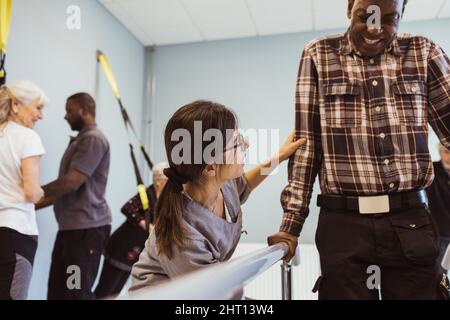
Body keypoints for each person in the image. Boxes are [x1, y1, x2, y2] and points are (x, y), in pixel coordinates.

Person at [268, 0, 450, 299]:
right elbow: (307, 147)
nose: (375, 28)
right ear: (349, 7)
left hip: (410, 220)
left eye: (390, 19)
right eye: (365, 16)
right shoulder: (319, 54)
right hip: (343, 224)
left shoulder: (423, 52)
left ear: (403, 13)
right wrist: (291, 225)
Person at [129, 100, 305, 298]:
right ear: (211, 167)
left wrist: (280, 156)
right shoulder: (184, 236)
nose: (247, 144)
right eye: (236, 143)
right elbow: (208, 296)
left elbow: (244, 184)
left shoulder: (220, 183)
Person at [37, 93, 112, 300]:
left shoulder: (93, 139)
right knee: (58, 293)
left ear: (84, 110)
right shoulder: (81, 140)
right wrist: (26, 203)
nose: (65, 116)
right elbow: (62, 190)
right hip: (70, 232)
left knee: (76, 292)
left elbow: (71, 182)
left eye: (69, 110)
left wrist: (33, 194)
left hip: (85, 233)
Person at [0, 81, 48, 299]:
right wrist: (41, 192)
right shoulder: (28, 137)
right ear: (17, 105)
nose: (41, 116)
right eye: (38, 108)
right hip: (16, 231)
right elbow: (31, 192)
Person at [95, 162, 169, 299]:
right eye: (167, 180)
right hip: (123, 246)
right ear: (158, 181)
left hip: (135, 250)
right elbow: (127, 208)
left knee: (115, 292)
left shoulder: (163, 200)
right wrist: (146, 224)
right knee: (106, 289)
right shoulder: (146, 194)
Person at [426, 144, 450, 274]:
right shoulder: (432, 171)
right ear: (440, 152)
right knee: (439, 275)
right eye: (446, 152)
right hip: (439, 234)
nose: (449, 157)